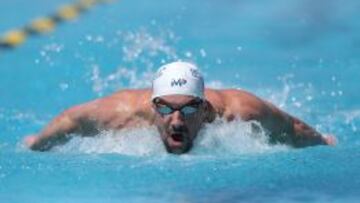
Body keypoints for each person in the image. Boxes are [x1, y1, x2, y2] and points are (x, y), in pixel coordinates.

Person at [24, 61, 336, 154]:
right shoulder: (123, 112)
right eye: (166, 109)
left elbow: (291, 129)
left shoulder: (239, 111)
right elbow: (70, 120)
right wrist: (37, 143)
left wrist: (323, 142)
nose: (176, 120)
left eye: (188, 110)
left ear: (204, 109)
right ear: (152, 105)